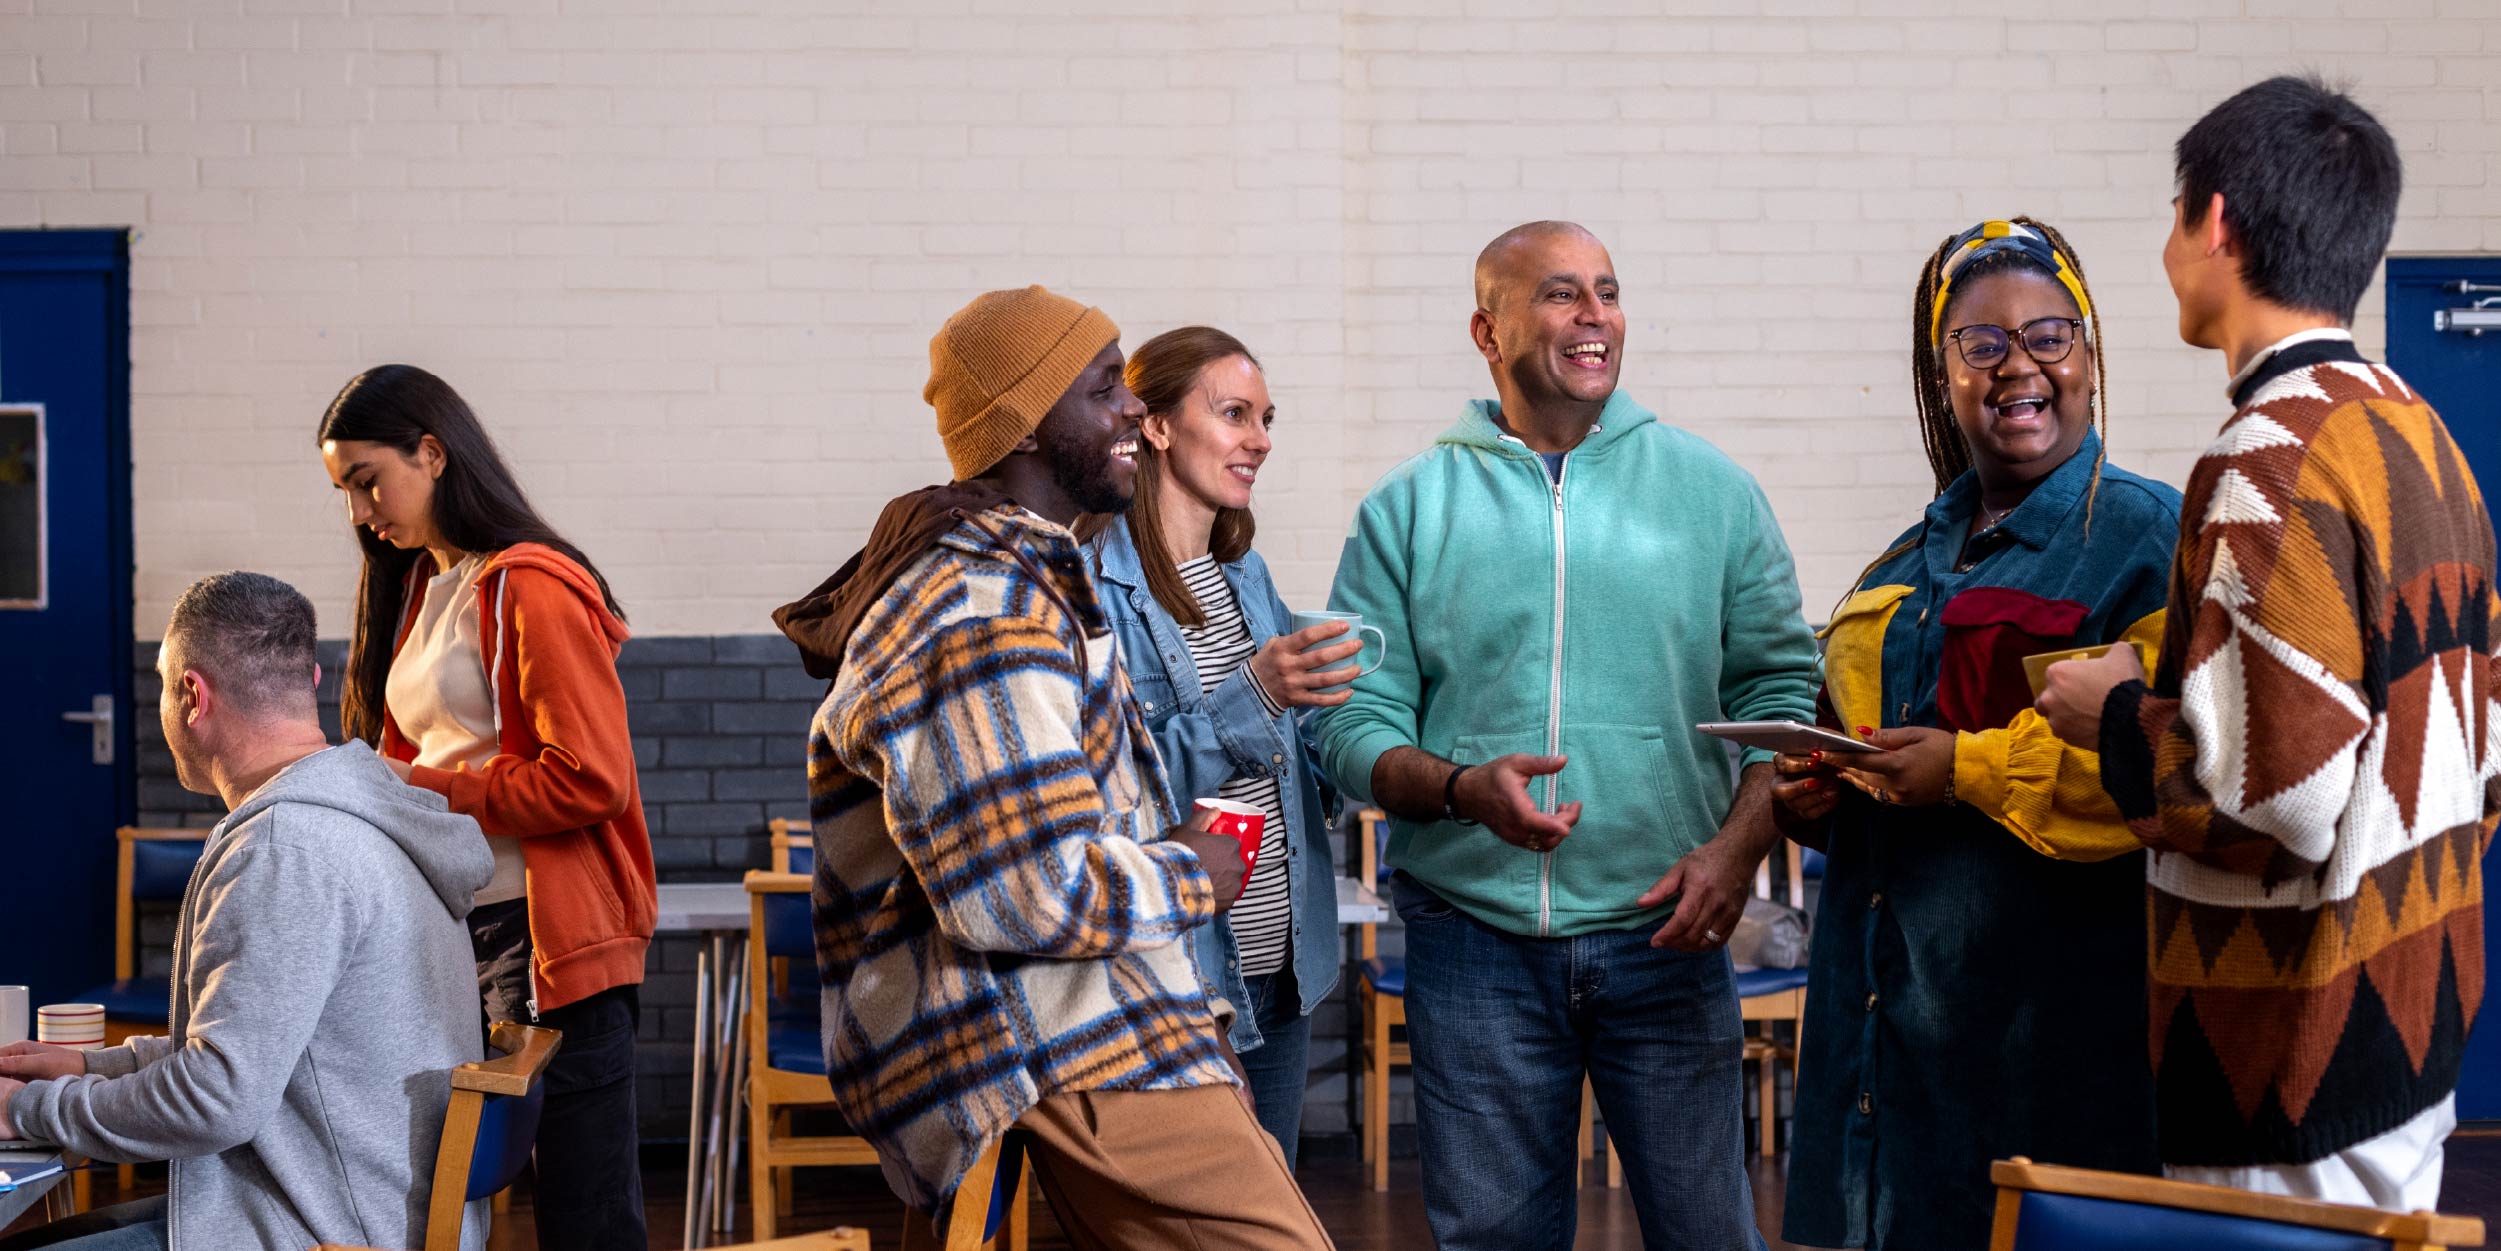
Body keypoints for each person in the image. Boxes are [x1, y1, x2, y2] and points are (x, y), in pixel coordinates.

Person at [771, 286, 1333, 1250]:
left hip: (1088, 1018)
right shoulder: (984, 608)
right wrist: (1192, 867)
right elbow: (1026, 892)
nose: (1130, 409)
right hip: (1050, 1037)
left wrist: (1194, 1024)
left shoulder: (1023, 581)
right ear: (1027, 426)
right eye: (1104, 385)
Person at [2037, 75, 2496, 1210]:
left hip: (2292, 1042)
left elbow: (2274, 805)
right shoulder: (2413, 430)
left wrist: (2107, 711)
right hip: (2410, 1011)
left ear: (2215, 223)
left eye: (2170, 217)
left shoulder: (2265, 460)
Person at [1315, 221, 1818, 1251]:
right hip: (1470, 943)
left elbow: (1786, 692)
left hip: (1667, 932)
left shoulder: (1711, 493)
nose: (1593, 315)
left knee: (1708, 1237)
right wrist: (1460, 789)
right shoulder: (1406, 508)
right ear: (1485, 330)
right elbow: (1351, 724)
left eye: (1606, 290)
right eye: (1558, 294)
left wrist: (1737, 851)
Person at [1769, 219, 2181, 1250]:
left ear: (2088, 355)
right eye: (1980, 345)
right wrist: (1814, 798)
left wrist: (1964, 768)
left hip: (2044, 1058)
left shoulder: (2148, 543)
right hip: (1875, 1045)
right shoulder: (1896, 570)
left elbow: (2168, 778)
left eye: (2049, 335)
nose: (2018, 367)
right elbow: (1852, 759)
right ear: (1938, 374)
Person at [0, 572, 492, 1251]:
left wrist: (25, 1108)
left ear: (191, 696)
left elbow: (215, 1097)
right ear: (311, 677)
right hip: (346, 1208)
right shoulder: (361, 813)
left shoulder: (287, 846)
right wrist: (92, 1069)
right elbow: (256, 1049)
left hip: (327, 1232)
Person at [316, 364, 657, 1251]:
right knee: (462, 1189)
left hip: (547, 937)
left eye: (367, 481)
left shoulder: (528, 583)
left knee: (585, 1215)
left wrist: (415, 789)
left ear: (431, 452)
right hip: (462, 931)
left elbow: (591, 779)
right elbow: (411, 761)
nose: (361, 511)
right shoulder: (427, 589)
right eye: (345, 492)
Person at [1082, 326, 1359, 1166]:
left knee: (1266, 1196)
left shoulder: (1246, 577)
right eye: (1234, 414)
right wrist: (1259, 695)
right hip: (1185, 977)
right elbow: (1112, 782)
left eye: (1266, 418)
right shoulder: (1094, 584)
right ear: (1158, 426)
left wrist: (1352, 735)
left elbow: (1285, 766)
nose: (1259, 440)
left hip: (1281, 963)